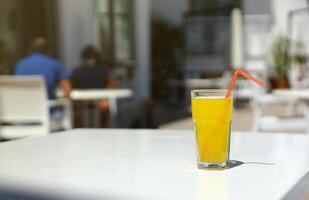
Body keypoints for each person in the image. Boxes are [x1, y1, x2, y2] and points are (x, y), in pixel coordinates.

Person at [71, 45, 116, 127]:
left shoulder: (103, 69)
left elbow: (111, 81)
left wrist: (106, 96)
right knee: (75, 110)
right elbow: (72, 85)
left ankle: (102, 130)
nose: (90, 58)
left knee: (105, 107)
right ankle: (81, 130)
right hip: (82, 100)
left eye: (91, 55)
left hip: (100, 99)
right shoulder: (78, 70)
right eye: (87, 56)